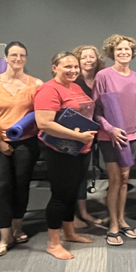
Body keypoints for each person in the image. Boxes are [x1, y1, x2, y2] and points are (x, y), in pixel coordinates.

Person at [0, 41, 44, 256]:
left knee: (21, 184)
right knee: (1, 186)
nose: (17, 59)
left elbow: (41, 113)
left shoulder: (36, 84)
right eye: (13, 55)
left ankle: (18, 226)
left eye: (22, 55)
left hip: (26, 142)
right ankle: (4, 236)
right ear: (5, 58)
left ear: (26, 58)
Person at [35, 51, 98, 260]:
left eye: (75, 67)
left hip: (80, 149)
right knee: (60, 196)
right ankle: (53, 243)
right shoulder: (49, 89)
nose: (73, 71)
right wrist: (77, 137)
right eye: (67, 67)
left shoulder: (76, 87)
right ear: (54, 67)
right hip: (60, 151)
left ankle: (70, 233)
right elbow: (44, 123)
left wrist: (82, 139)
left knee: (72, 193)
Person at [93, 34, 136, 246]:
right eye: (119, 49)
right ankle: (113, 224)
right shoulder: (103, 75)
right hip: (109, 136)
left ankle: (122, 220)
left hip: (131, 136)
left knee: (124, 180)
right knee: (114, 180)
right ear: (112, 52)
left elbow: (135, 109)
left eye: (127, 49)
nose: (124, 52)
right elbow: (95, 111)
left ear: (133, 52)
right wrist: (110, 129)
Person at [71, 45, 106, 228]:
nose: (88, 60)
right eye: (83, 57)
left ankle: (83, 211)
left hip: (98, 131)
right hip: (75, 134)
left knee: (84, 173)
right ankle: (71, 214)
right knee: (73, 174)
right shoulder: (72, 81)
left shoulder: (102, 79)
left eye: (91, 56)